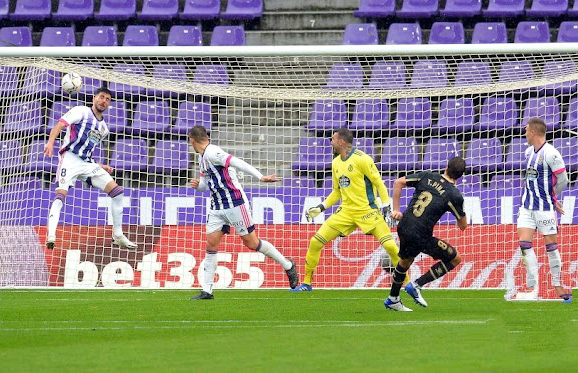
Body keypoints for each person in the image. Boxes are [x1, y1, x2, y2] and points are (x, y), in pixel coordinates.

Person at [188, 125, 298, 300]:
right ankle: (207, 291)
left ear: (192, 140)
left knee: (252, 243)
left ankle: (287, 265)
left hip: (235, 203)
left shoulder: (213, 152)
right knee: (211, 244)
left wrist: (260, 177)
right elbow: (205, 185)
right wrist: (198, 186)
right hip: (217, 206)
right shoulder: (202, 158)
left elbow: (237, 161)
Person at [291, 128, 403, 292]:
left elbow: (379, 183)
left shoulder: (363, 159)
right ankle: (307, 284)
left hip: (368, 211)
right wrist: (320, 208)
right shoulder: (336, 162)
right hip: (345, 213)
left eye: (333, 139)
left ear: (341, 141)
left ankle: (407, 284)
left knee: (392, 248)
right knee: (315, 242)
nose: (331, 142)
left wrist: (386, 206)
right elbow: (337, 191)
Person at [43, 87, 137, 250]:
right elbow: (59, 126)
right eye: (101, 97)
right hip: (69, 159)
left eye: (107, 99)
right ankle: (51, 234)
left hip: (87, 164)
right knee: (60, 195)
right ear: (94, 98)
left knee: (117, 193)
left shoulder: (104, 129)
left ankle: (118, 235)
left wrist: (100, 166)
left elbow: (87, 152)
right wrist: (50, 142)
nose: (104, 101)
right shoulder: (81, 111)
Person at [384, 157, 467, 312]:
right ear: (460, 176)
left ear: (446, 168)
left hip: (404, 226)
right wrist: (460, 210)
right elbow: (463, 226)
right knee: (455, 258)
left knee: (405, 261)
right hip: (420, 234)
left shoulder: (427, 176)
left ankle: (393, 299)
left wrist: (396, 210)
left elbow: (398, 183)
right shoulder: (454, 195)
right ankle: (417, 285)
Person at [507, 117, 572, 302]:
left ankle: (557, 285)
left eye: (527, 130)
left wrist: (553, 198)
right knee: (524, 244)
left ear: (534, 132)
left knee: (551, 248)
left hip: (544, 208)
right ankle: (533, 285)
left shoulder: (552, 154)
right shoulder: (528, 152)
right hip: (527, 207)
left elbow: (563, 180)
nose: (525, 133)